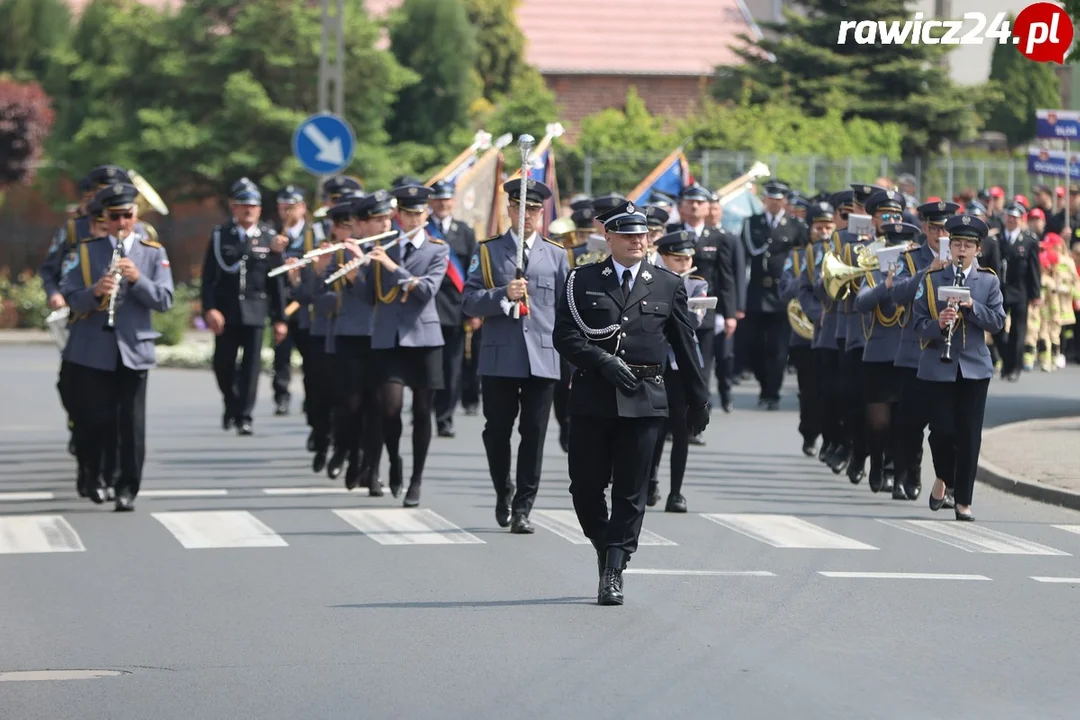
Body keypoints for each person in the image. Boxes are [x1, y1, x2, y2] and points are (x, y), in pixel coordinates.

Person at [554, 200, 709, 606]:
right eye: (628, 235)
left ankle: (614, 568)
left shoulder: (667, 283)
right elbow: (566, 336)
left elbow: (685, 345)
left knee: (631, 490)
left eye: (642, 235)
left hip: (645, 399)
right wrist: (602, 361)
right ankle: (607, 547)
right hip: (593, 396)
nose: (638, 241)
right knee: (585, 488)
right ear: (609, 238)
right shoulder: (581, 279)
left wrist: (699, 397)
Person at [462, 178, 570, 533]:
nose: (526, 215)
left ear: (542, 214)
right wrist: (500, 294)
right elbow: (469, 301)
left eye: (534, 209)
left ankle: (524, 505)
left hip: (542, 356)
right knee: (497, 430)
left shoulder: (556, 255)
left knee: (534, 433)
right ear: (509, 209)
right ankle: (502, 490)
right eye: (519, 207)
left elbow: (565, 309)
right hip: (499, 356)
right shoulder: (487, 250)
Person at [59, 182, 175, 511]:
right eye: (116, 216)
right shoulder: (85, 251)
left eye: (128, 215)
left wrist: (138, 278)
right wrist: (95, 291)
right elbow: (70, 298)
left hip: (134, 350)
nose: (123, 222)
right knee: (95, 420)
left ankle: (127, 488)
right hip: (93, 350)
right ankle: (95, 476)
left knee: (131, 425)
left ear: (136, 216)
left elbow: (165, 300)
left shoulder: (153, 253)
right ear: (105, 219)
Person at [912, 215, 1006, 521]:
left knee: (969, 435)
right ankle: (945, 477)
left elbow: (998, 321)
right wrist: (938, 324)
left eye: (967, 245)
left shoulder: (988, 280)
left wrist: (971, 308)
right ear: (949, 247)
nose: (961, 250)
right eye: (956, 244)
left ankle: (963, 500)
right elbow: (916, 323)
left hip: (974, 367)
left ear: (978, 250)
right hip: (938, 366)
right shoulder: (932, 279)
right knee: (941, 431)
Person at [201, 178, 288, 435]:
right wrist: (209, 308)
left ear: (260, 209)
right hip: (226, 312)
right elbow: (208, 277)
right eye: (242, 205)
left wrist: (280, 318)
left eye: (253, 205)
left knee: (251, 367)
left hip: (256, 310)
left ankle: (244, 415)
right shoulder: (220, 235)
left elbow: (276, 282)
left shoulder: (269, 238)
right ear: (233, 207)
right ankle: (231, 401)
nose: (248, 210)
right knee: (222, 364)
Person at [853, 221, 922, 499]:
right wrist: (887, 285)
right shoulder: (872, 275)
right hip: (880, 354)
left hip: (907, 355)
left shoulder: (916, 274)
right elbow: (861, 303)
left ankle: (900, 473)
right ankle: (878, 461)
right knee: (879, 422)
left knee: (903, 421)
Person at [646, 230, 708, 513]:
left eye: (687, 258)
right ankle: (650, 479)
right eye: (677, 259)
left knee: (681, 430)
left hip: (682, 363)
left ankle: (676, 492)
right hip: (656, 359)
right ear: (664, 257)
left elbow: (692, 322)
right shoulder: (651, 280)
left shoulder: (696, 284)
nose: (684, 263)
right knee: (655, 427)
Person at [742, 180, 807, 409]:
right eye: (771, 198)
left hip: (783, 293)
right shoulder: (752, 223)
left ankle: (772, 393)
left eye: (779, 199)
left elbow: (803, 258)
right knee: (755, 346)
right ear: (765, 199)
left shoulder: (796, 226)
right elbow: (746, 257)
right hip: (758, 292)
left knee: (779, 349)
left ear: (785, 201)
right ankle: (763, 384)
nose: (774, 202)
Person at [427, 179, 477, 439]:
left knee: (452, 367)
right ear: (430, 202)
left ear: (453, 202)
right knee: (427, 367)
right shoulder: (422, 230)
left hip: (455, 309)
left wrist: (473, 311)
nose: (442, 204)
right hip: (425, 308)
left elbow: (473, 273)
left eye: (446, 199)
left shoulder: (465, 232)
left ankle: (445, 418)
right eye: (437, 199)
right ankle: (424, 411)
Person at [268, 184, 313, 417]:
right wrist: (275, 256)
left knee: (310, 356)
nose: (287, 213)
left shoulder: (314, 235)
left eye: (291, 208)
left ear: (302, 208)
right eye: (283, 208)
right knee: (282, 355)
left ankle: (310, 397)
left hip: (307, 304)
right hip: (283, 303)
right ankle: (281, 396)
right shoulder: (273, 235)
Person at [993, 202, 1042, 381]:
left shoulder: (1029, 241)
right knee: (997, 329)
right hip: (1000, 290)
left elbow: (1034, 269)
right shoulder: (997, 239)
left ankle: (1015, 367)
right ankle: (1007, 361)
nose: (1011, 220)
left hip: (1021, 290)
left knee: (1018, 330)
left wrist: (1036, 294)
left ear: (1021, 219)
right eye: (1009, 216)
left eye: (1015, 217)